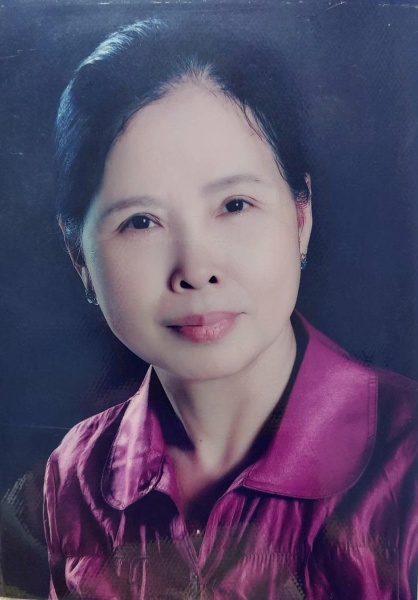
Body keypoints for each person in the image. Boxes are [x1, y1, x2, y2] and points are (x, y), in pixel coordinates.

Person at [44, 17, 418, 600]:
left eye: (235, 204)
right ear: (79, 259)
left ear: (301, 217)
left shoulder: (407, 461)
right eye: (140, 221)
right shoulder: (74, 476)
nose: (196, 269)